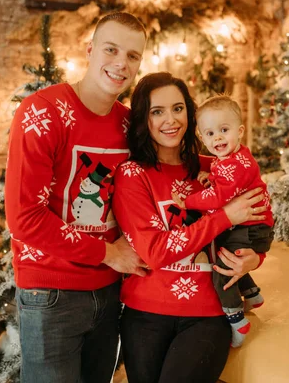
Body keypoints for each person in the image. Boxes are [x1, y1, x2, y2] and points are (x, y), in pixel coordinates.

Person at [4, 12, 149, 383]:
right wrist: (107, 253)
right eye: (111, 49)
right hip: (52, 293)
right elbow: (25, 218)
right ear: (90, 50)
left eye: (132, 56)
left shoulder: (130, 125)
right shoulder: (43, 112)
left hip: (110, 291)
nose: (121, 63)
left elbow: (174, 171)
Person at [112, 72, 267, 383]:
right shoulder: (132, 175)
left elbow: (256, 220)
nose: (171, 120)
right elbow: (155, 251)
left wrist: (253, 259)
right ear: (145, 118)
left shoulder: (220, 168)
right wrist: (224, 217)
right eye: (157, 111)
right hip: (146, 316)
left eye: (178, 108)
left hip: (208, 314)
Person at [172, 95, 274, 347]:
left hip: (252, 228)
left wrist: (189, 202)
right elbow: (225, 185)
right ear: (202, 137)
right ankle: (252, 294)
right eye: (209, 133)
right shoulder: (232, 159)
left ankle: (236, 319)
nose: (217, 138)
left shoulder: (237, 165)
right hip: (252, 226)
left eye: (224, 130)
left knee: (221, 267)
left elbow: (218, 197)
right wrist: (211, 177)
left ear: (240, 132)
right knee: (230, 254)